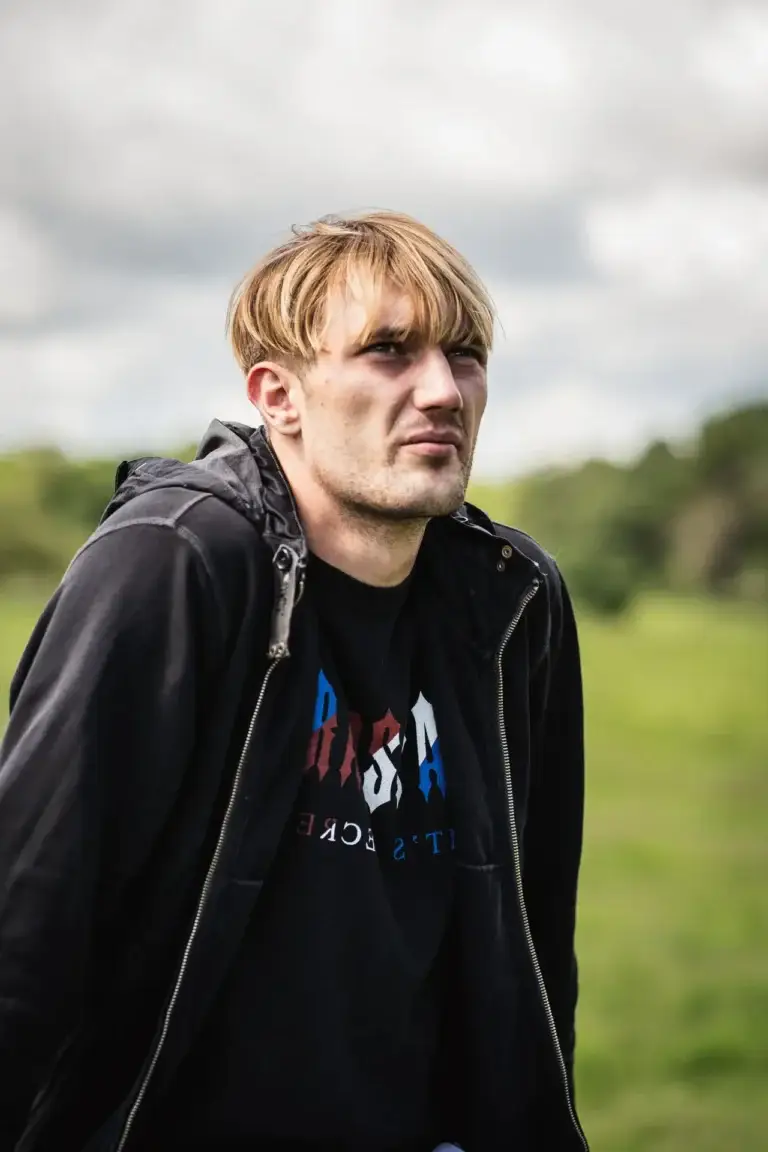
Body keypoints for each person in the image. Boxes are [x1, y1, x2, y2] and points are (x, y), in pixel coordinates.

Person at [0, 211, 588, 1151]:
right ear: (279, 396)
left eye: (466, 353)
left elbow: (534, 946)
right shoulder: (176, 562)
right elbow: (25, 922)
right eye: (388, 351)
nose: (442, 389)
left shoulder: (512, 600)